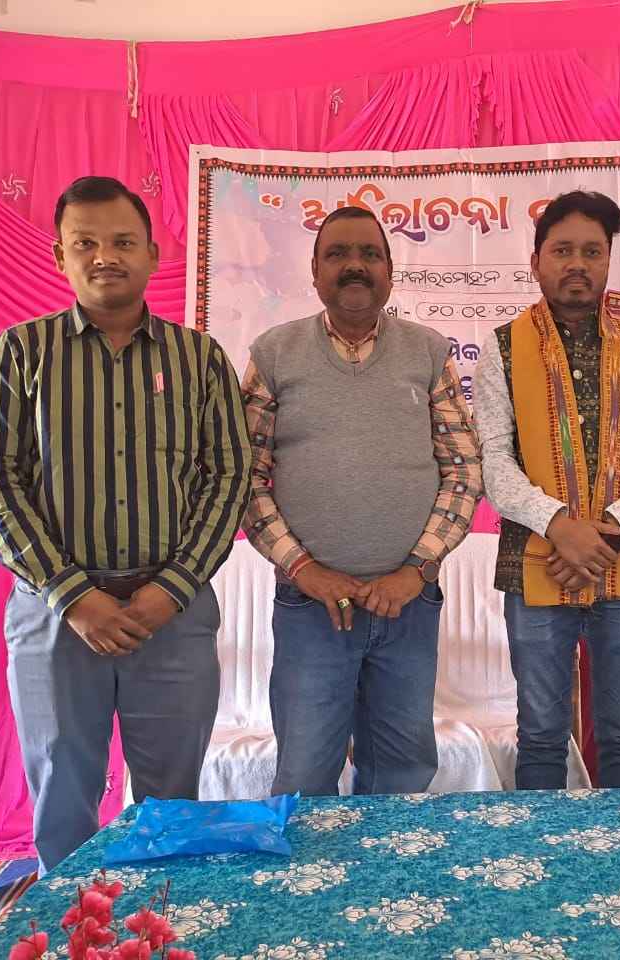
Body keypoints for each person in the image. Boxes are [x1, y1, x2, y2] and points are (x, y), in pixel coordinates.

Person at [0, 176, 253, 872]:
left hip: (172, 614)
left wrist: (170, 590)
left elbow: (229, 478)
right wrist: (75, 597)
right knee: (62, 788)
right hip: (55, 615)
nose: (105, 257)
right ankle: (73, 920)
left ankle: (165, 920)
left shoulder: (199, 358)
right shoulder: (21, 352)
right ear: (59, 256)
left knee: (171, 802)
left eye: (123, 241)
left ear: (153, 253)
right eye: (85, 243)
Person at [241, 206, 482, 796]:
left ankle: (389, 867)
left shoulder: (427, 351)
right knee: (304, 780)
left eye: (370, 254)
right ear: (314, 271)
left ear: (390, 270)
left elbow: (463, 470)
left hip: (408, 606)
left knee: (401, 779)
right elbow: (246, 478)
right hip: (310, 608)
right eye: (338, 254)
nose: (355, 265)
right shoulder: (274, 352)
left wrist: (416, 570)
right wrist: (305, 570)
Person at [474, 191, 620, 790]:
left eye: (592, 252)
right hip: (536, 560)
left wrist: (606, 535)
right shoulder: (503, 346)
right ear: (536, 260)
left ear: (608, 261)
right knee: (541, 737)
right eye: (562, 250)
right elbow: (494, 459)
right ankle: (540, 851)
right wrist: (559, 526)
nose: (577, 264)